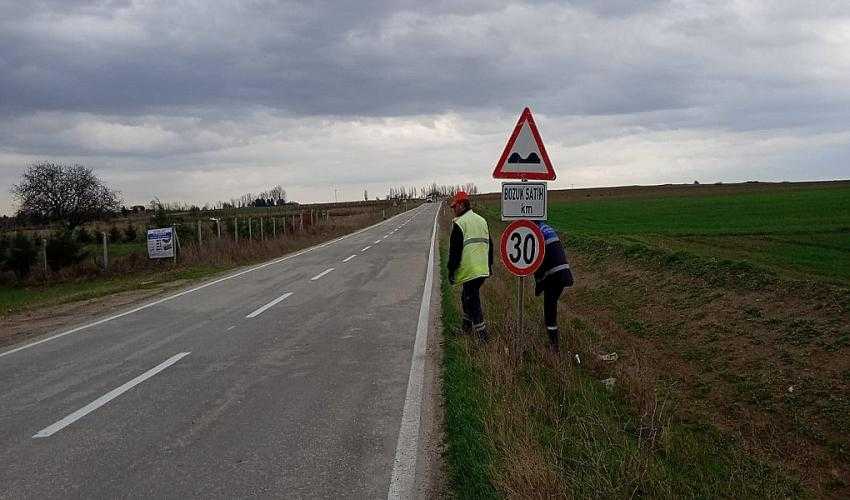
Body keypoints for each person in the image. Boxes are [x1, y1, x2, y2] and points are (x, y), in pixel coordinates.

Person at [447, 191, 493, 341]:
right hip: (482, 269)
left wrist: (451, 270)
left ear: (462, 205)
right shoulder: (481, 220)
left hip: (471, 269)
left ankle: (482, 335)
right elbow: (490, 245)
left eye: (455, 206)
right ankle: (466, 328)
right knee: (466, 296)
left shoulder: (460, 223)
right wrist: (489, 265)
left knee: (472, 300)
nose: (454, 209)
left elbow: (454, 251)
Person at [533, 220, 574, 353]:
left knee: (549, 310)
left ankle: (554, 347)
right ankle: (553, 342)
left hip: (554, 275)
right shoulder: (547, 228)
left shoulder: (536, 233)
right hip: (563, 272)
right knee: (551, 307)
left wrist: (539, 284)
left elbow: (538, 262)